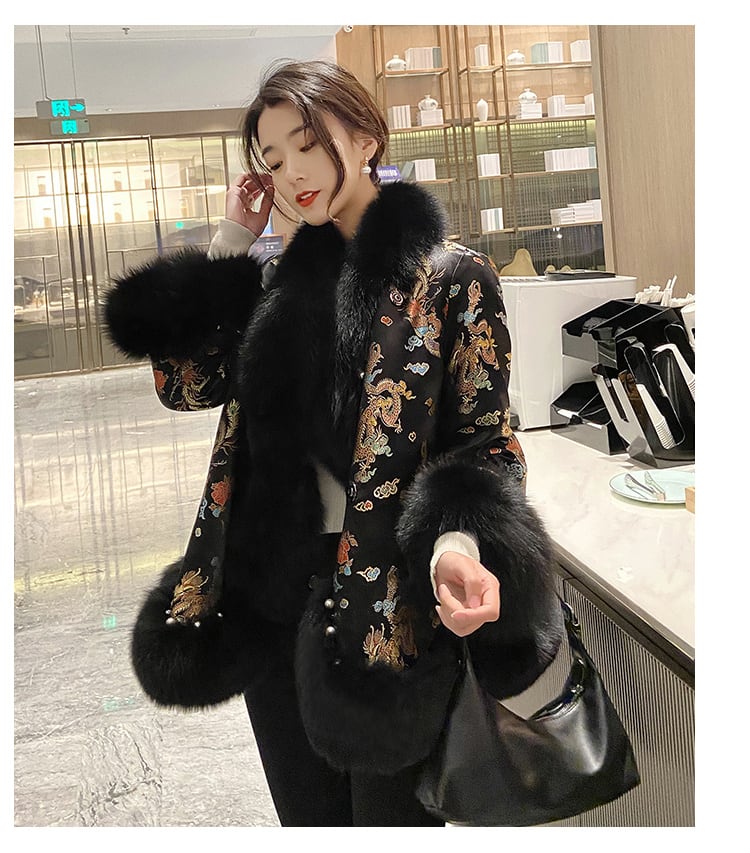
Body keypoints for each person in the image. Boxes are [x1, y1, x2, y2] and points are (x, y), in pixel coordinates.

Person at [104, 59, 564, 827]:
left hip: (390, 600)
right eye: (272, 157)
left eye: (307, 143)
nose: (291, 172)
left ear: (367, 138)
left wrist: (458, 546)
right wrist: (232, 240)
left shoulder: (451, 278)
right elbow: (184, 384)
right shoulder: (276, 286)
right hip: (272, 594)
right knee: (307, 820)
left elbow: (486, 446)